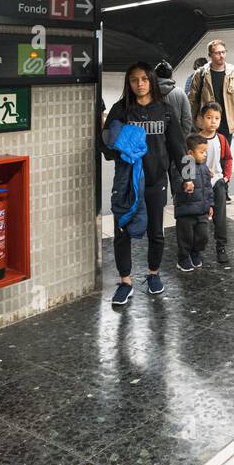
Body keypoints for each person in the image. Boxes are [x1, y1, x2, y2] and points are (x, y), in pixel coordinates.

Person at [100, 62, 185, 306]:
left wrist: (187, 176)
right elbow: (105, 143)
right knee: (122, 231)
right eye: (134, 80)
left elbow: (179, 146)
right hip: (127, 182)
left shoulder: (165, 111)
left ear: (151, 81)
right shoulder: (121, 109)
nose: (140, 84)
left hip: (156, 181)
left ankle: (153, 274)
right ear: (129, 83)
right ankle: (125, 282)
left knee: (156, 232)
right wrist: (122, 150)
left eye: (144, 79)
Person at [187, 40, 234, 147]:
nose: (222, 56)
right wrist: (191, 122)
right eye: (217, 53)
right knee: (205, 155)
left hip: (226, 123)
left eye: (223, 52)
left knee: (224, 157)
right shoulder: (201, 74)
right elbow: (192, 100)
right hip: (206, 123)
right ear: (210, 55)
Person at [194, 101, 233, 267]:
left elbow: (228, 159)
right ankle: (195, 248)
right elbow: (188, 161)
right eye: (209, 117)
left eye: (216, 118)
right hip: (200, 184)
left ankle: (221, 246)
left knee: (220, 216)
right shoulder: (194, 140)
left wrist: (226, 178)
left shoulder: (222, 139)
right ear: (201, 119)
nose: (213, 121)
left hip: (217, 182)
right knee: (199, 216)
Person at [173, 134, 215, 273]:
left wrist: (210, 204)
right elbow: (177, 181)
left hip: (202, 210)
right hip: (186, 210)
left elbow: (208, 188)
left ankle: (195, 252)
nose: (205, 155)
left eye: (205, 152)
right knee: (185, 236)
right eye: (201, 152)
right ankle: (183, 258)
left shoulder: (204, 167)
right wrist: (184, 184)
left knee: (203, 235)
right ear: (190, 153)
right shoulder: (183, 165)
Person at [154, 60, 193, 137]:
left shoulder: (148, 93)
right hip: (176, 136)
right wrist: (183, 137)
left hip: (155, 138)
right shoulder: (180, 92)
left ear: (155, 75)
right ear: (171, 74)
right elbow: (187, 118)